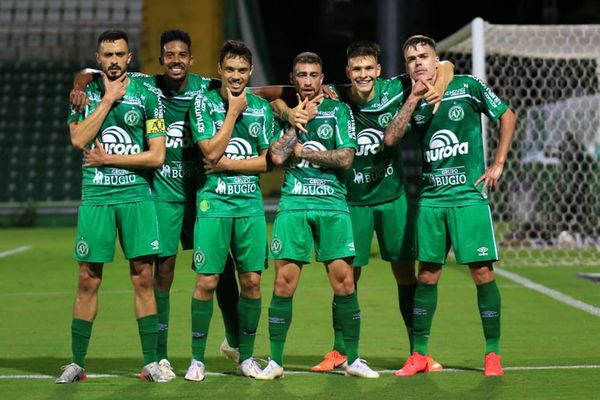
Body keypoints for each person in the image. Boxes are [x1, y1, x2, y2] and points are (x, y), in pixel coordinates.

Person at [69, 30, 242, 379]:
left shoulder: (207, 86)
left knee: (220, 268)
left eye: (182, 55)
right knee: (160, 272)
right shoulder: (148, 86)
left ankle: (235, 343)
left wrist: (286, 99)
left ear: (191, 59)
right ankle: (160, 356)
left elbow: (253, 92)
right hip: (162, 192)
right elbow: (91, 73)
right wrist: (78, 82)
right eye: (169, 55)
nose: (176, 60)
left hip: (202, 190)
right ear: (160, 59)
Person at [271, 41, 451, 373]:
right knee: (345, 278)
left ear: (378, 70)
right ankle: (340, 350)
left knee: (404, 275)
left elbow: (447, 65)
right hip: (352, 200)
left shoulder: (395, 88)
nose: (363, 75)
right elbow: (271, 93)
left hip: (392, 196)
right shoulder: (332, 94)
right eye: (357, 69)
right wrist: (286, 110)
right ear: (347, 73)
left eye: (369, 68)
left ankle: (419, 352)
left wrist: (439, 82)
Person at [384, 35, 516, 377]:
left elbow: (507, 115)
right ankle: (420, 355)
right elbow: (391, 138)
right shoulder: (409, 98)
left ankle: (492, 355)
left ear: (435, 58)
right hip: (430, 199)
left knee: (482, 273)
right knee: (427, 275)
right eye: (411, 58)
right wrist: (412, 100)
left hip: (469, 197)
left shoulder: (466, 86)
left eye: (423, 56)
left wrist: (498, 163)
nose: (418, 63)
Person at [256, 52, 379, 380]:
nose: (308, 81)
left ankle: (352, 358)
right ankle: (276, 362)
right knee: (283, 284)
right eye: (301, 75)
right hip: (294, 205)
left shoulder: (340, 111)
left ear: (322, 79)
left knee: (345, 283)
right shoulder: (282, 112)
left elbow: (346, 158)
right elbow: (278, 157)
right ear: (293, 78)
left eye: (313, 75)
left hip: (333, 205)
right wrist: (299, 123)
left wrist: (308, 153)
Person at [56, 30, 169, 383]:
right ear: (98, 58)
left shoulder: (148, 95)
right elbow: (78, 139)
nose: (115, 61)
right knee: (88, 278)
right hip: (97, 199)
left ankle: (151, 362)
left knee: (143, 277)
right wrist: (106, 100)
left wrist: (110, 158)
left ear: (130, 57)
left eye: (120, 54)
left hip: (137, 196)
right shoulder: (83, 94)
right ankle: (76, 362)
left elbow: (157, 155)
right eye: (108, 55)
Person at [184, 40, 273, 381]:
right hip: (213, 204)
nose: (236, 77)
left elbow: (267, 162)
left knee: (251, 281)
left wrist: (230, 165)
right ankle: (196, 359)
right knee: (206, 281)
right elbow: (209, 153)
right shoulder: (203, 103)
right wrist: (234, 111)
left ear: (250, 72)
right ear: (220, 70)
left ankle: (246, 358)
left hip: (249, 205)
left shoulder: (262, 109)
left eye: (242, 70)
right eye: (230, 70)